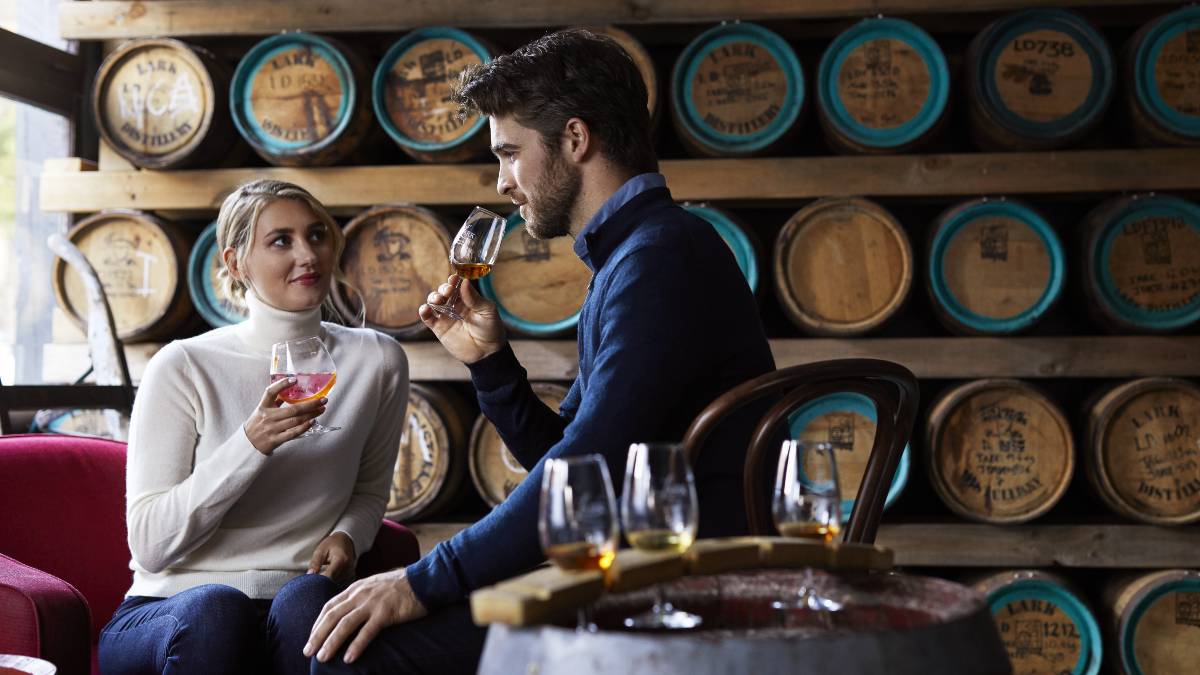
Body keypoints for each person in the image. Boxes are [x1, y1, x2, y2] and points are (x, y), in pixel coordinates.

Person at [305, 29, 775, 673]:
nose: (502, 182)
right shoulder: (638, 254)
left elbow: (585, 463)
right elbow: (574, 468)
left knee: (354, 656)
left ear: (575, 139)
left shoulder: (660, 259)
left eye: (509, 154)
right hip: (642, 570)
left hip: (682, 585)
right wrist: (490, 365)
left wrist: (423, 581)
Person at [97, 179, 409, 675]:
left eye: (316, 235)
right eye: (281, 241)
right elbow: (151, 546)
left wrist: (348, 536)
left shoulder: (377, 360)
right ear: (237, 262)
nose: (307, 254)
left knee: (311, 600)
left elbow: (370, 492)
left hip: (291, 598)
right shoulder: (183, 366)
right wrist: (250, 443)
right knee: (218, 611)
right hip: (172, 608)